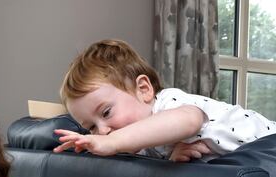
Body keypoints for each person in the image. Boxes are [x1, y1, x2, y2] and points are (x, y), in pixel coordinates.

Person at [54, 39, 276, 161]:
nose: (102, 131)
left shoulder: (168, 103)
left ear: (144, 89)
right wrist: (174, 160)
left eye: (106, 113)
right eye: (91, 127)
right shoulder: (138, 149)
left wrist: (112, 142)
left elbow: (188, 122)